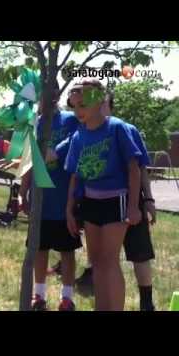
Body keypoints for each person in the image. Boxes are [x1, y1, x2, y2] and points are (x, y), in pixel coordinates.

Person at [65, 79, 143, 311]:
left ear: (99, 101)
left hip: (115, 201)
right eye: (74, 106)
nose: (79, 111)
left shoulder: (117, 128)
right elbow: (75, 176)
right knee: (96, 262)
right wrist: (69, 209)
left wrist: (134, 206)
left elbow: (134, 167)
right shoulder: (79, 136)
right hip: (91, 202)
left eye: (83, 104)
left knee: (110, 261)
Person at [18, 81, 82, 311]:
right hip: (41, 199)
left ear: (56, 94)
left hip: (64, 197)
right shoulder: (34, 124)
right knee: (39, 248)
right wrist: (23, 191)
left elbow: (78, 140)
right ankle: (39, 295)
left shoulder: (70, 120)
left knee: (67, 249)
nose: (44, 99)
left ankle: (67, 297)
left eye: (48, 93)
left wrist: (57, 151)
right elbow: (29, 161)